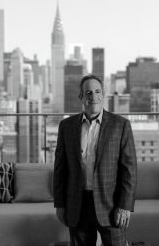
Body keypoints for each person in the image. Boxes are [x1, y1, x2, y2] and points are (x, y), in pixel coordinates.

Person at [54, 75, 137, 246]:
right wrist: (60, 204)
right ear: (81, 97)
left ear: (103, 94)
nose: (94, 96)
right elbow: (60, 169)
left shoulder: (120, 125)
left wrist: (125, 206)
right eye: (89, 93)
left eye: (98, 91)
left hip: (111, 205)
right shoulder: (66, 126)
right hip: (77, 205)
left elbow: (129, 170)